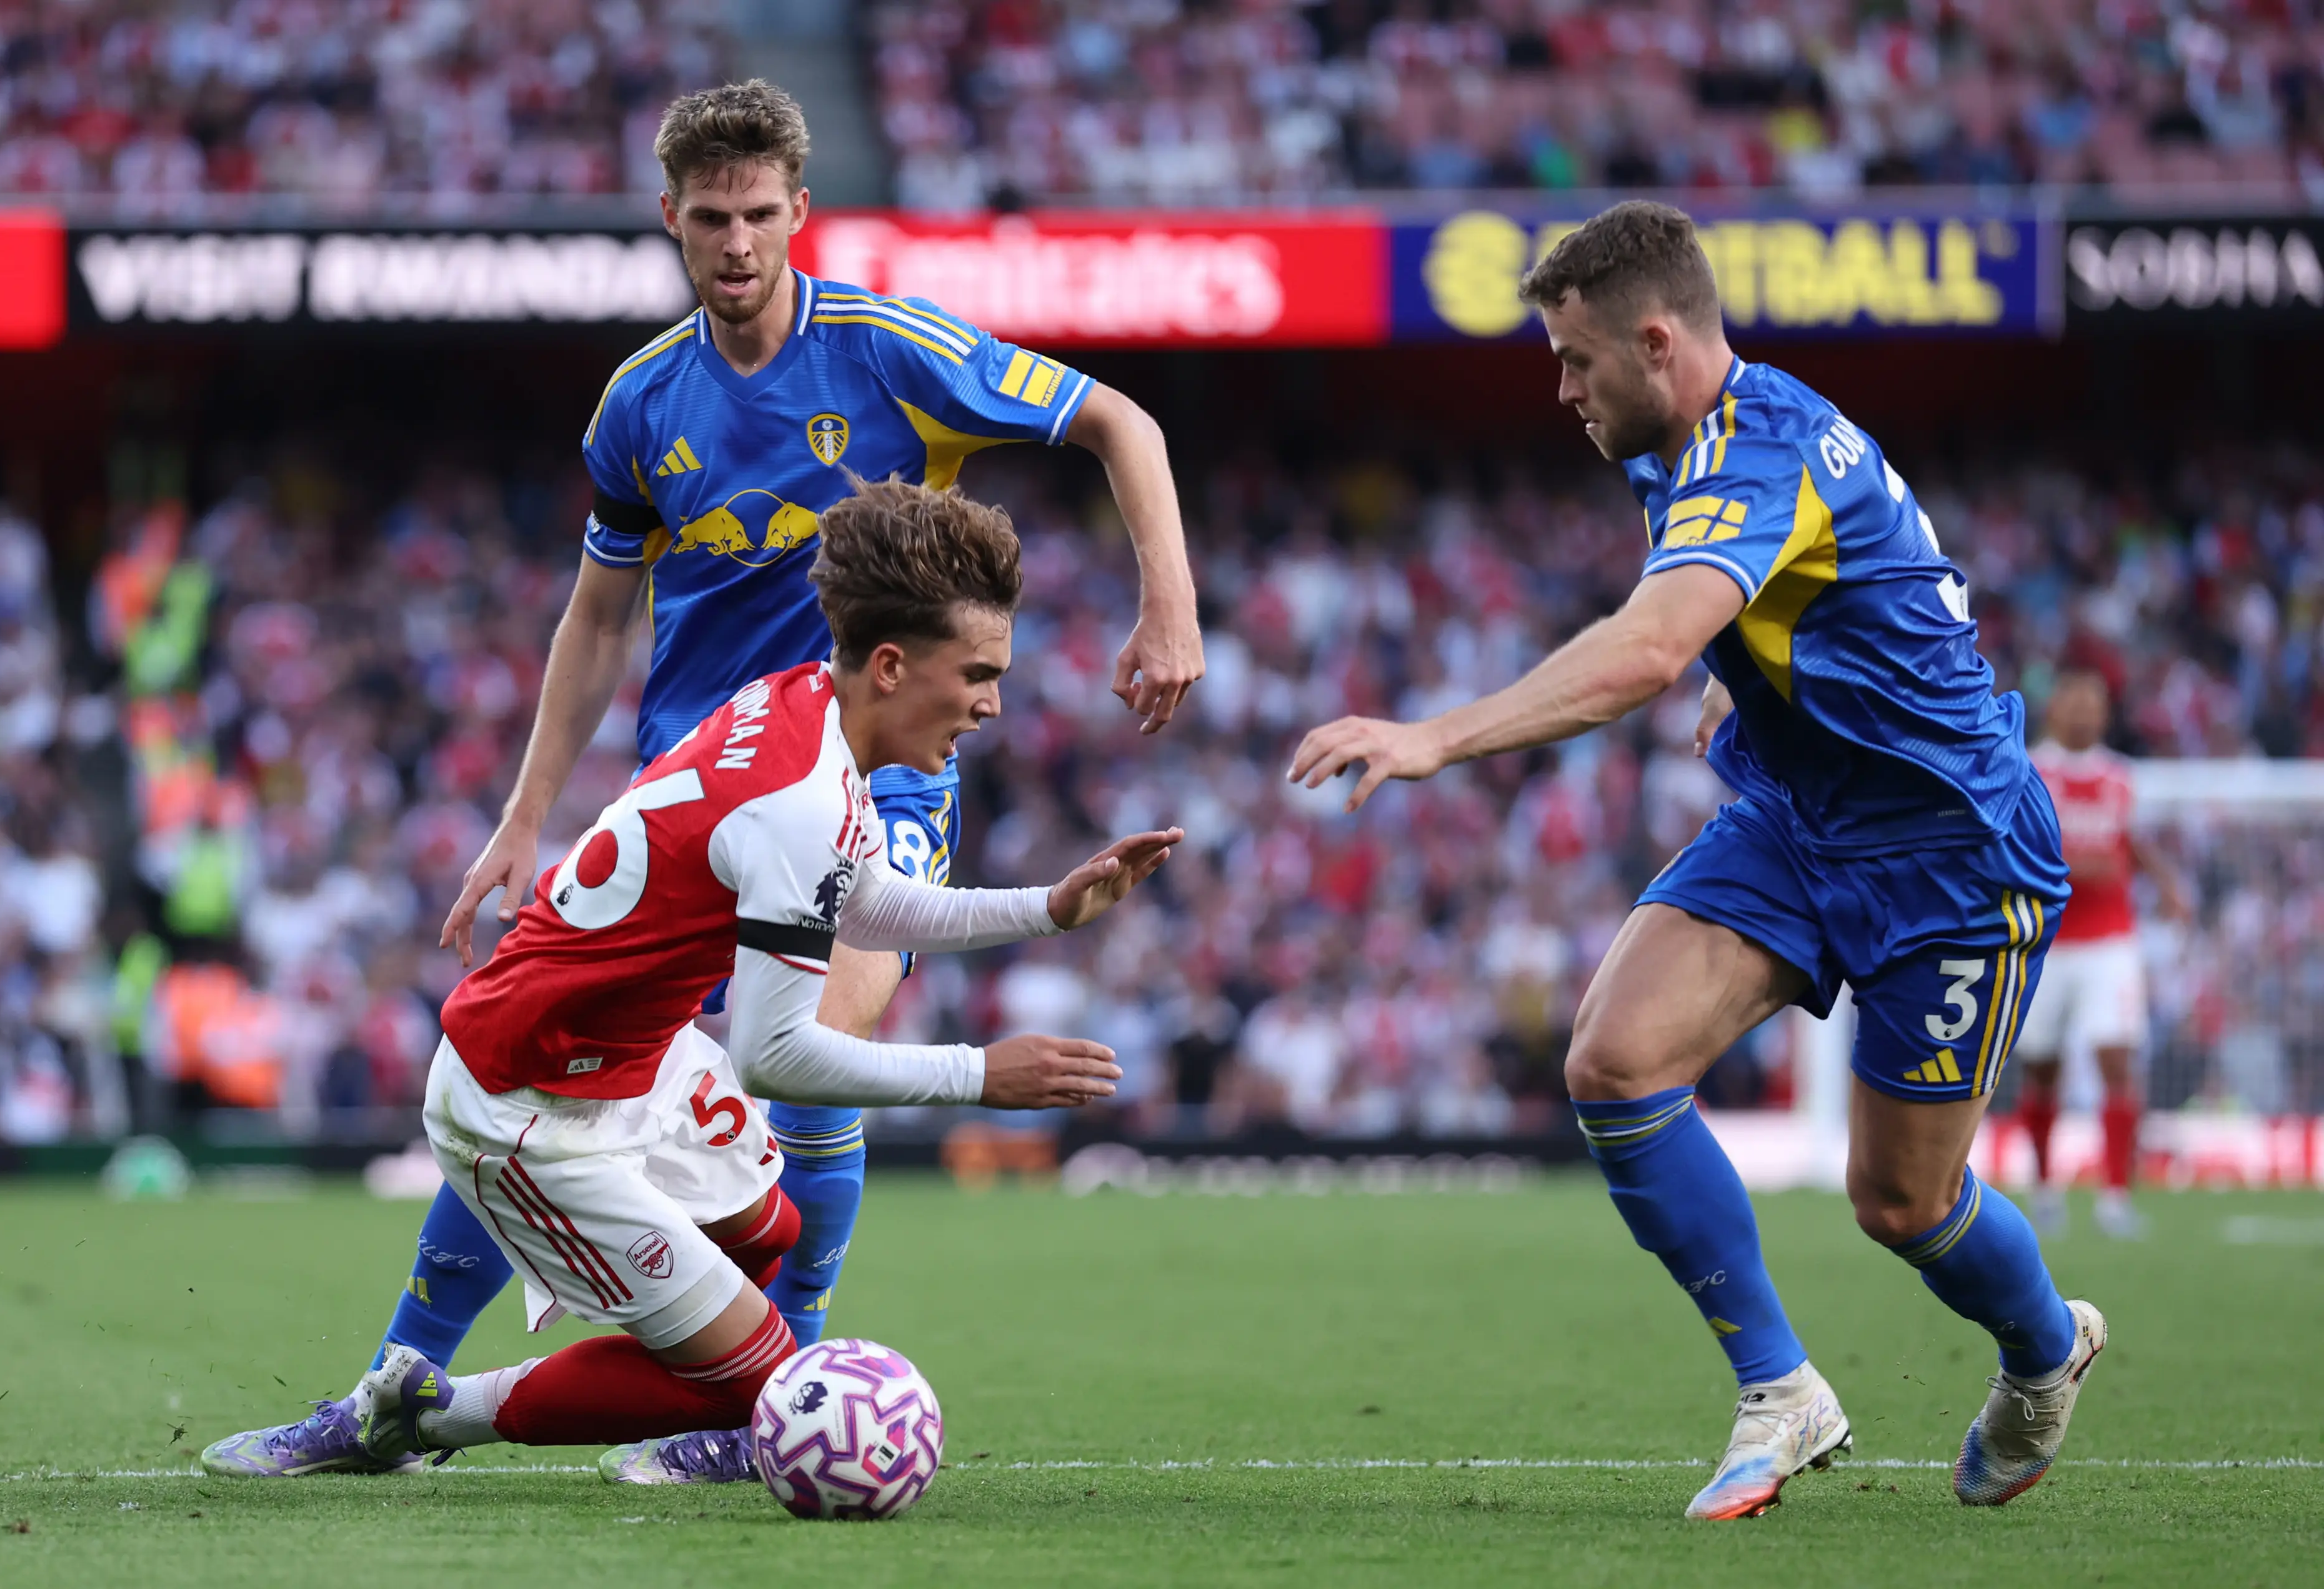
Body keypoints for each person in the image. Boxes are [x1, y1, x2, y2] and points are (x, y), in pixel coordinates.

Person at [202, 77, 1201, 1480]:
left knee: (808, 1059)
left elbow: (1124, 423)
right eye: (711, 219)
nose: (737, 244)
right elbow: (599, 617)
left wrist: (1171, 607)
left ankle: (766, 1402)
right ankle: (395, 1389)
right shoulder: (639, 406)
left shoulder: (891, 349)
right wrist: (525, 816)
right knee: (541, 1084)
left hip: (867, 784)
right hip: (697, 791)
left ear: (802, 212)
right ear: (671, 219)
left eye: (760, 216)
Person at [1290, 201, 2103, 1519]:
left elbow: (1644, 650)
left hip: (1952, 856)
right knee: (1613, 1060)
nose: (1561, 390)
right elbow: (1849, 578)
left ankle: (2043, 1345)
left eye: (1576, 361)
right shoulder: (1685, 433)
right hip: (1799, 814)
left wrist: (1437, 734)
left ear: (1658, 342)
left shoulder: (1753, 448)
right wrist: (1767, 668)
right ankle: (1781, 1384)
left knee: (1902, 1202)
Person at [347, 479, 1178, 1471]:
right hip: (524, 1097)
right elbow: (772, 1052)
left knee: (771, 1226)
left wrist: (1046, 907)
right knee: (761, 1384)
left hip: (628, 1056)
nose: (993, 703)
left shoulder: (800, 709)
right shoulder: (796, 797)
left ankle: (661, 1313)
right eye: (979, 673)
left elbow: (866, 899)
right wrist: (980, 1076)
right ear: (890, 664)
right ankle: (426, 1408)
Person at [2011, 667, 2188, 1240]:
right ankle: (2044, 1191)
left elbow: (2127, 840)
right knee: (2043, 1068)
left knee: (2117, 1059)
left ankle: (2115, 1196)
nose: (2086, 712)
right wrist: (2079, 866)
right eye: (2076, 701)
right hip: (2045, 939)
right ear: (2055, 710)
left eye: (2095, 703)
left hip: (2111, 939)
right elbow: (2025, 846)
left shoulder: (2119, 776)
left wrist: (2165, 882)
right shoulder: (2029, 768)